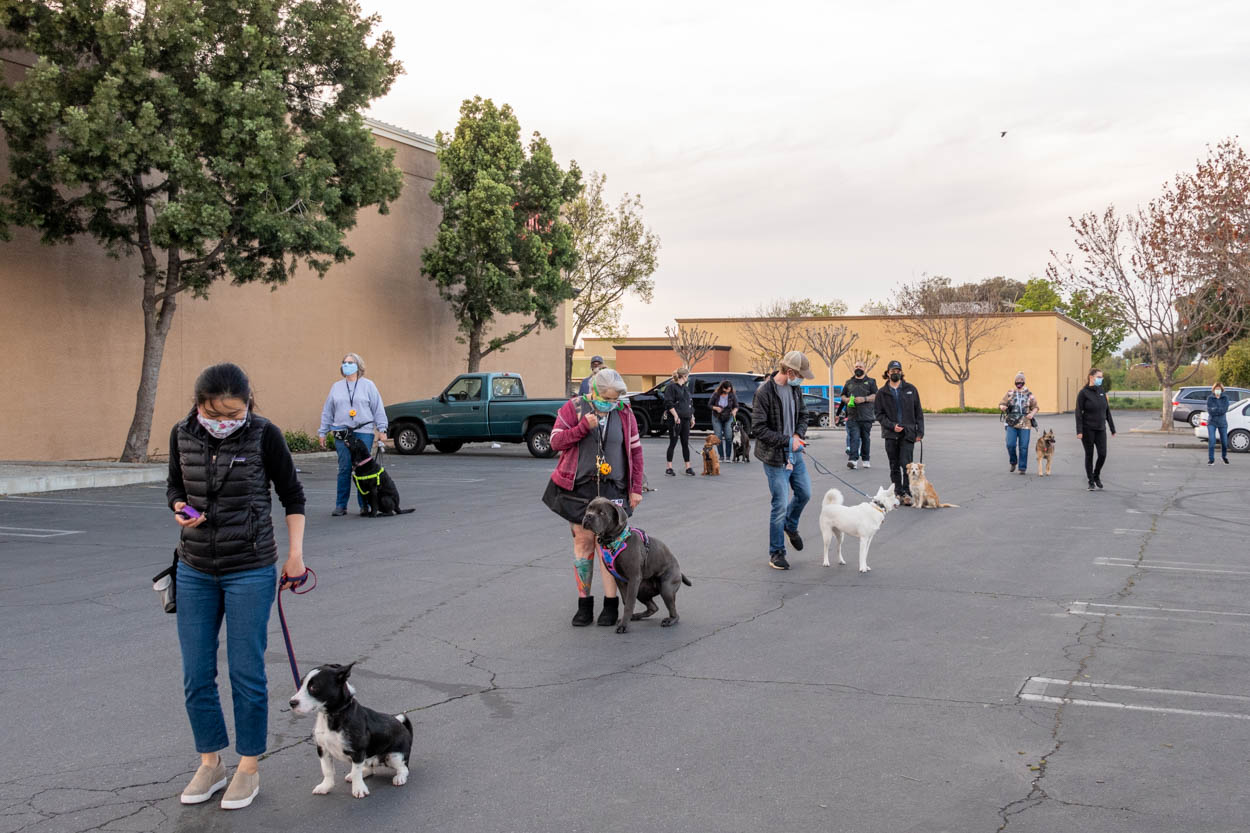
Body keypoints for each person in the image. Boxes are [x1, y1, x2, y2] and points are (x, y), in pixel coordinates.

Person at [166, 363, 306, 811]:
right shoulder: (181, 433)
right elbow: (173, 486)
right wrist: (180, 509)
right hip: (194, 567)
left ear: (249, 402)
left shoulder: (265, 435)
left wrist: (295, 554)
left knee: (246, 672)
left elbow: (292, 495)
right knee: (195, 674)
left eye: (234, 412)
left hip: (250, 567)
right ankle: (211, 762)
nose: (224, 421)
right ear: (198, 404)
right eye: (214, 412)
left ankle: (248, 766)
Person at [543, 368, 645, 627]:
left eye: (615, 399)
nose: (611, 404)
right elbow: (555, 442)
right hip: (580, 490)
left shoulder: (624, 411)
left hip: (613, 490)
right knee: (584, 544)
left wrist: (635, 488)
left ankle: (610, 604)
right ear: (594, 391)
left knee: (609, 548)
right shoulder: (574, 408)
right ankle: (584, 604)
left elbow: (635, 452)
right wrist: (581, 428)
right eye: (607, 398)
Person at [751, 351, 813, 570]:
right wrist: (787, 441)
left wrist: (798, 435)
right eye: (799, 375)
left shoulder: (795, 390)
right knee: (779, 504)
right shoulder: (764, 392)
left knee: (805, 493)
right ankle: (776, 552)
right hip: (775, 458)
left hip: (795, 454)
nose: (801, 379)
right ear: (789, 371)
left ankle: (790, 524)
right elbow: (758, 429)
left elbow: (804, 415)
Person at [318, 353, 388, 516]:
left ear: (358, 366)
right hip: (342, 431)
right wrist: (323, 431)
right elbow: (328, 411)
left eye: (350, 362)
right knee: (344, 468)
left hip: (363, 430)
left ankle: (364, 505)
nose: (346, 365)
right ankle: (341, 505)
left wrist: (382, 429)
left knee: (363, 468)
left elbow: (378, 408)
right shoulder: (336, 387)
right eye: (344, 362)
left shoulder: (368, 385)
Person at [876, 359, 924, 505]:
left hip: (908, 433)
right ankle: (897, 492)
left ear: (901, 372)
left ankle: (907, 493)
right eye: (892, 371)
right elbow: (879, 414)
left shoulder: (911, 389)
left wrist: (920, 432)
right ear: (888, 373)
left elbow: (918, 412)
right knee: (894, 464)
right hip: (891, 434)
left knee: (907, 464)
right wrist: (891, 426)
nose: (895, 373)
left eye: (898, 370)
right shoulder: (882, 393)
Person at [1075, 367, 1116, 491]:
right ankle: (1091, 481)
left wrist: (1112, 428)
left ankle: (1096, 475)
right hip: (1088, 429)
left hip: (1100, 429)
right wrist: (1079, 431)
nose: (1101, 379)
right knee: (1089, 455)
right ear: (1091, 377)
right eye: (1099, 377)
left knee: (1103, 454)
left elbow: (1106, 410)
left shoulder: (1101, 391)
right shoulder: (1083, 393)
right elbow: (1078, 413)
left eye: (1101, 377)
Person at [999, 371, 1039, 475]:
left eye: (1021, 380)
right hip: (1011, 422)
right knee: (1010, 444)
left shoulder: (1029, 394)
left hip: (1025, 423)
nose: (1019, 382)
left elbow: (1035, 407)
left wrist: (1032, 414)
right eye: (1017, 380)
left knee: (1024, 446)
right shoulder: (1010, 393)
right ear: (1014, 382)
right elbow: (1002, 403)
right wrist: (1002, 407)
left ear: (1024, 382)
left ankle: (1022, 468)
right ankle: (1013, 461)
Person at [841, 359, 878, 470]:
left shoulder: (871, 382)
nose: (858, 368)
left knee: (865, 438)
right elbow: (842, 395)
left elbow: (876, 396)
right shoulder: (849, 382)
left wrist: (864, 399)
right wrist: (846, 400)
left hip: (866, 416)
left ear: (864, 368)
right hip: (853, 416)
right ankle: (853, 460)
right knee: (854, 438)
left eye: (860, 367)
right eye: (856, 366)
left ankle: (866, 459)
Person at [663, 367, 696, 476]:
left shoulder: (686, 389)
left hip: (686, 418)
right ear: (684, 376)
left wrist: (692, 416)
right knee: (673, 442)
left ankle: (688, 467)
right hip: (675, 419)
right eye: (687, 376)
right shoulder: (671, 387)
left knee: (685, 443)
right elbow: (669, 403)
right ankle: (669, 467)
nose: (688, 378)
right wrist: (676, 416)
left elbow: (690, 403)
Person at [710, 380, 739, 462]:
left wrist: (734, 411)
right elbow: (709, 404)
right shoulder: (716, 395)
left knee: (729, 437)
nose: (728, 391)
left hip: (728, 417)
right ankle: (721, 456)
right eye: (727, 390)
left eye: (729, 389)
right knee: (718, 437)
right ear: (723, 388)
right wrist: (716, 408)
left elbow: (736, 406)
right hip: (716, 417)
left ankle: (728, 457)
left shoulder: (732, 395)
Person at [1206, 383, 1231, 465]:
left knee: (1224, 441)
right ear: (1213, 390)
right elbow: (1210, 410)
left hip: (1222, 422)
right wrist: (1217, 410)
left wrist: (1216, 409)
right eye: (1216, 389)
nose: (1217, 390)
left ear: (1222, 390)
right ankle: (1211, 459)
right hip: (1212, 422)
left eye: (1219, 389)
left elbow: (1224, 409)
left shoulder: (1225, 398)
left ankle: (1224, 456)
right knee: (1212, 441)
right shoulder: (1210, 398)